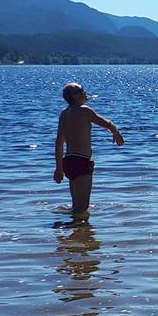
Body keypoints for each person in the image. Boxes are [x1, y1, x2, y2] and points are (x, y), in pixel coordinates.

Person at [54, 82, 123, 218]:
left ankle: (73, 235)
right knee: (82, 208)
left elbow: (59, 143)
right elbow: (106, 123)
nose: (85, 92)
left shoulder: (64, 113)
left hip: (69, 162)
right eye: (81, 90)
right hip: (81, 161)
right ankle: (78, 235)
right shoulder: (84, 111)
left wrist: (59, 168)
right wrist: (116, 132)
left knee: (76, 206)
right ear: (74, 97)